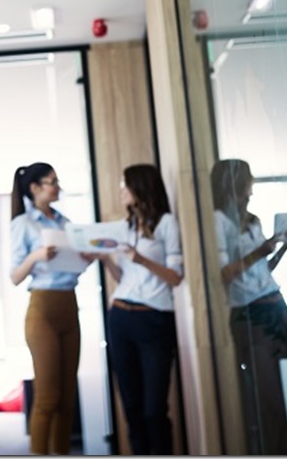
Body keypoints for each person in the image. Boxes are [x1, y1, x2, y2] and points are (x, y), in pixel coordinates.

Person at [9, 162, 97, 455]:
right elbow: (15, 277)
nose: (57, 187)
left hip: (69, 305)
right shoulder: (24, 224)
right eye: (52, 182)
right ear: (34, 188)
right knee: (47, 397)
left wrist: (85, 259)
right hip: (42, 310)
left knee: (66, 400)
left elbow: (72, 268)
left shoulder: (65, 223)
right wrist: (36, 255)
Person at [210, 159, 287, 455]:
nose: (251, 185)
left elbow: (263, 269)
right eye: (247, 179)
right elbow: (225, 273)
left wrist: (282, 246)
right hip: (251, 315)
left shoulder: (254, 219)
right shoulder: (218, 221)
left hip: (276, 308)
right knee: (268, 395)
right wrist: (259, 252)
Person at [100, 164, 183, 455]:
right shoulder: (125, 227)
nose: (121, 191)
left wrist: (142, 260)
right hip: (120, 317)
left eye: (126, 185)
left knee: (153, 410)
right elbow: (124, 278)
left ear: (141, 187)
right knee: (132, 409)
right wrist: (105, 259)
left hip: (154, 319)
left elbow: (176, 276)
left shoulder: (166, 224)